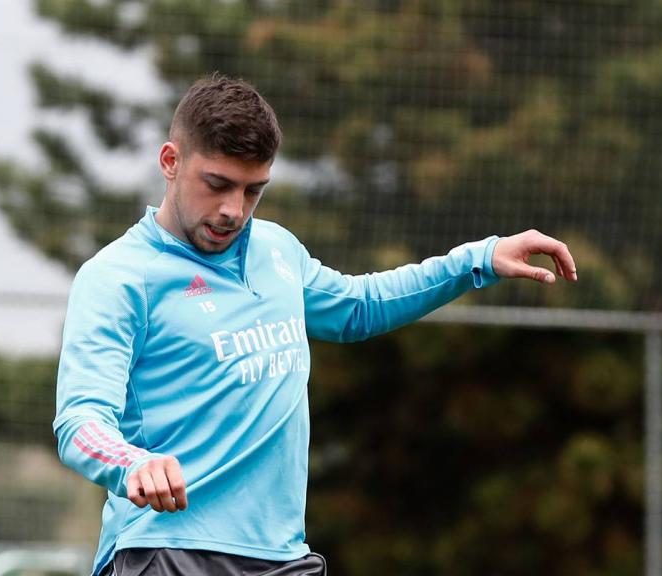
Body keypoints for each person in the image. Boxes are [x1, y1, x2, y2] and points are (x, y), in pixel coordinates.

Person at [52, 74, 578, 576]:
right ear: (170, 161)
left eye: (253, 190)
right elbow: (80, 421)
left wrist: (477, 260)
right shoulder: (118, 277)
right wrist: (131, 465)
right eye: (217, 184)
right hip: (169, 551)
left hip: (281, 555)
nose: (234, 210)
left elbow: (357, 306)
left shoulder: (277, 250)